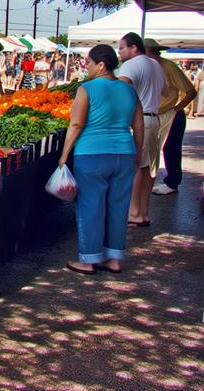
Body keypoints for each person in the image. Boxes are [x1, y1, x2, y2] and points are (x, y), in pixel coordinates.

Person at [58, 44, 143, 275]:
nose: (86, 66)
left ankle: (88, 259)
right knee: (119, 207)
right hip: (124, 154)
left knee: (90, 206)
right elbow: (138, 126)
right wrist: (138, 153)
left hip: (91, 154)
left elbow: (76, 124)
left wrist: (64, 155)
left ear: (101, 65)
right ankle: (115, 259)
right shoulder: (129, 90)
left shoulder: (86, 88)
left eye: (89, 62)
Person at [117, 32, 165, 227]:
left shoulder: (130, 65)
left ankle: (134, 212)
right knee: (148, 168)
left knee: (136, 165)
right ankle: (143, 211)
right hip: (154, 119)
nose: (119, 52)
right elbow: (165, 91)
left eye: (121, 48)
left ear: (133, 48)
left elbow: (120, 90)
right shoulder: (156, 64)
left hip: (140, 121)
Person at [143, 39, 196, 196]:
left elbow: (191, 91)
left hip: (170, 114)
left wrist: (177, 108)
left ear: (150, 51)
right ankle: (151, 180)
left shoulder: (169, 67)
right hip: (154, 114)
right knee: (151, 149)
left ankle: (172, 182)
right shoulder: (146, 67)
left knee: (170, 148)